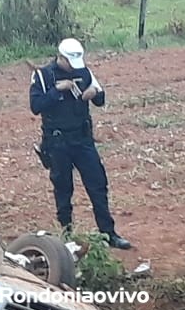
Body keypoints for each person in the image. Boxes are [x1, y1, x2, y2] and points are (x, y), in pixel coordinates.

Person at [29, 37, 131, 250]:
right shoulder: (42, 75)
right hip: (57, 141)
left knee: (98, 184)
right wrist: (59, 90)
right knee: (63, 188)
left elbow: (100, 98)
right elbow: (36, 106)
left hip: (83, 139)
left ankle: (108, 233)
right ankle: (66, 235)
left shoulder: (84, 72)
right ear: (61, 57)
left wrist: (95, 93)